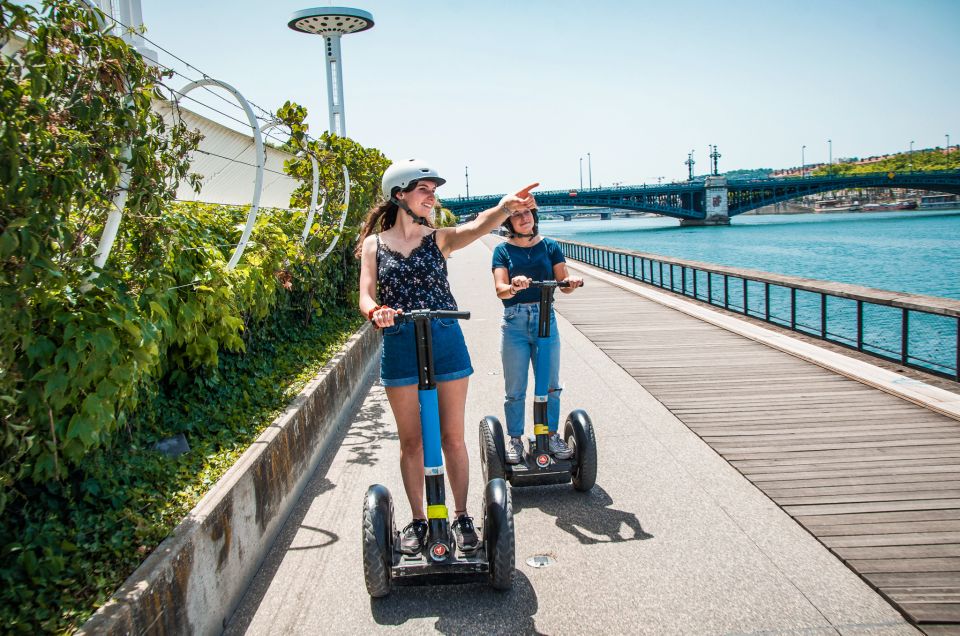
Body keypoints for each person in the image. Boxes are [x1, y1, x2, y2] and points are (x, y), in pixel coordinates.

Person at [357, 158, 538, 555]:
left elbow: (477, 228)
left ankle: (460, 516)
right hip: (400, 341)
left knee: (453, 437)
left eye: (433, 191)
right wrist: (376, 312)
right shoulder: (374, 244)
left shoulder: (439, 238)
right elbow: (366, 294)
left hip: (445, 337)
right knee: (412, 443)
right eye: (424, 190)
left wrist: (505, 208)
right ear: (399, 195)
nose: (432, 197)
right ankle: (420, 521)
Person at [491, 207, 583, 465]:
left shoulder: (550, 246)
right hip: (514, 322)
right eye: (517, 214)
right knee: (515, 389)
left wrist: (571, 283)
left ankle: (550, 435)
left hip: (546, 318)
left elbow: (562, 284)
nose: (524, 218)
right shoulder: (502, 251)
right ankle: (516, 439)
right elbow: (500, 290)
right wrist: (513, 286)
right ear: (509, 220)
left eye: (528, 213)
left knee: (551, 385)